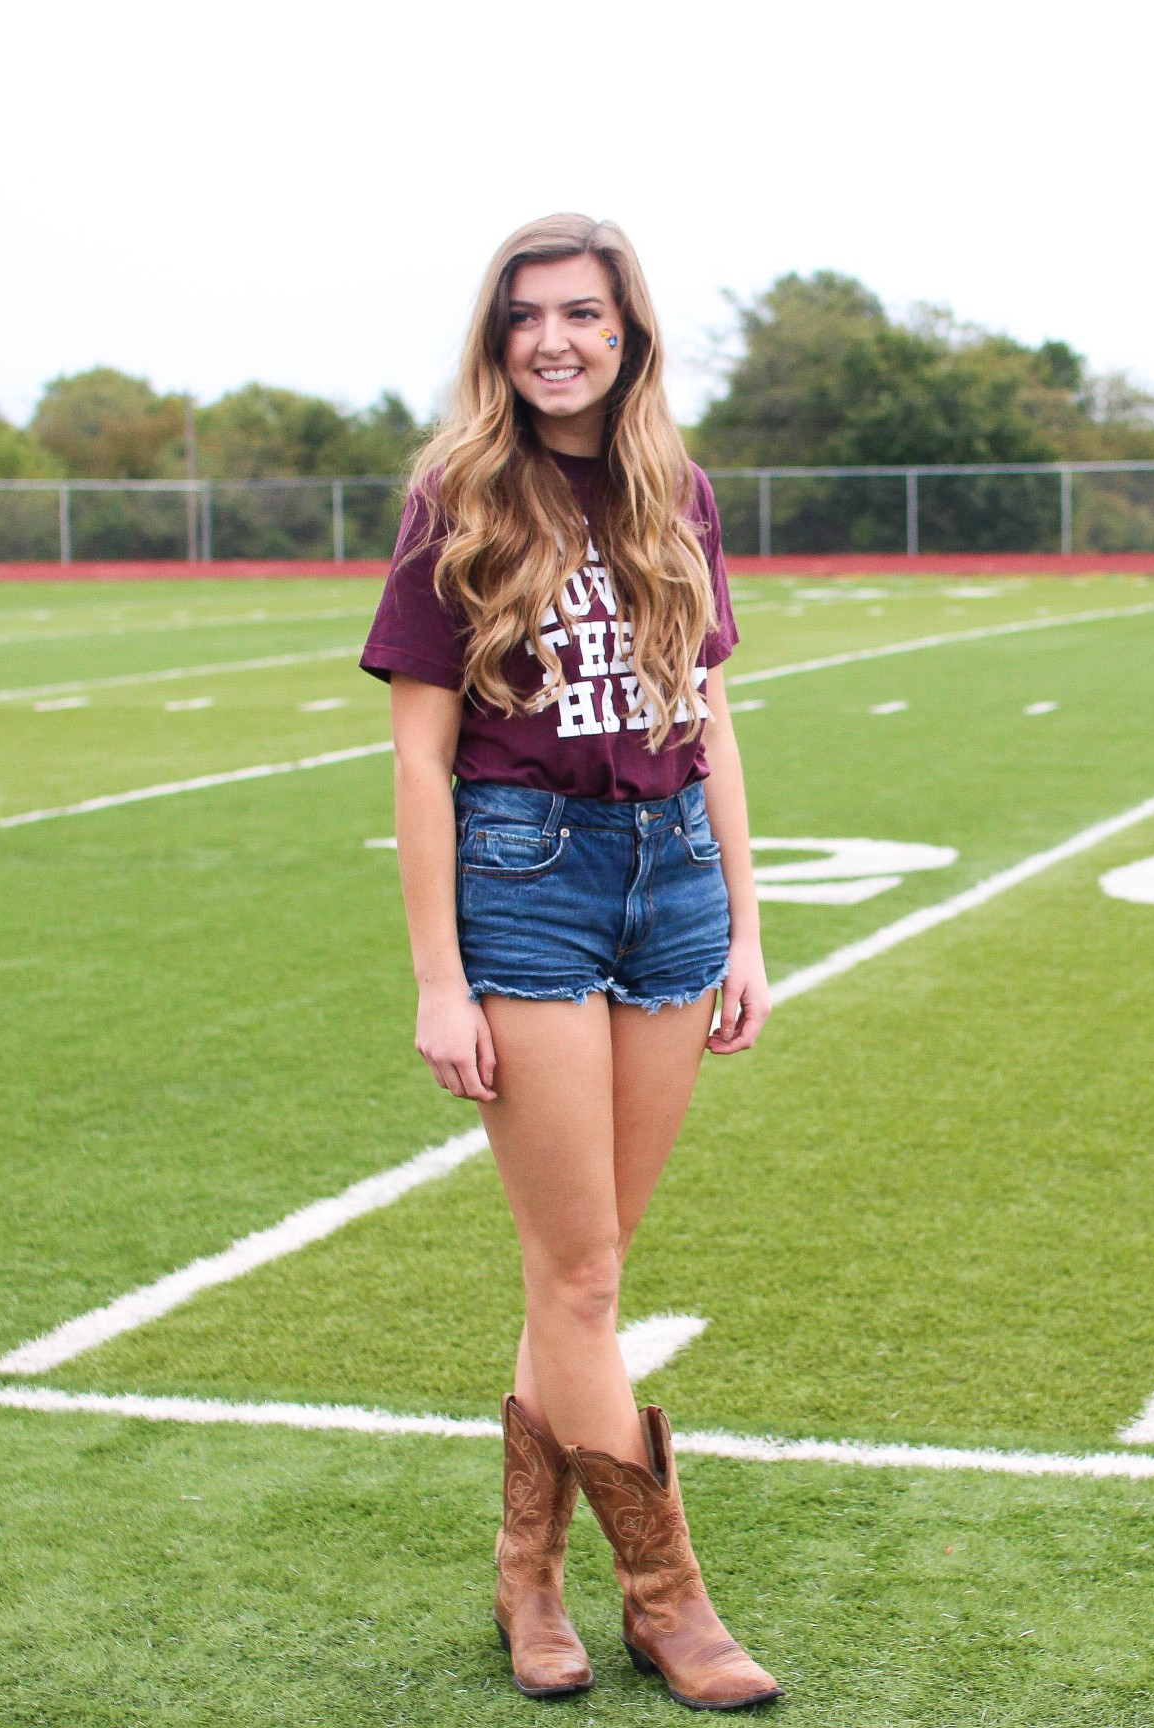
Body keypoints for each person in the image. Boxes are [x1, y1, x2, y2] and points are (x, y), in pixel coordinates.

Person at [361, 213, 780, 1711]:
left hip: (668, 878)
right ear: (498, 337)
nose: (555, 339)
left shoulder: (677, 489)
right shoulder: (455, 495)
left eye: (583, 315)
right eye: (527, 316)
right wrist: (436, 975)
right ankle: (669, 1599)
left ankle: (524, 1574)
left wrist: (744, 923)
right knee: (584, 1269)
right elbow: (419, 762)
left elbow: (712, 713)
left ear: (628, 332)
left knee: (581, 1279)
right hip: (525, 879)